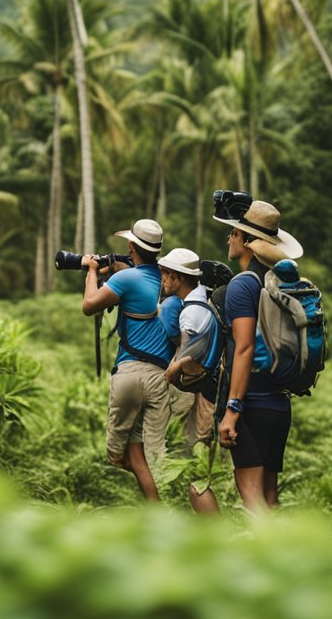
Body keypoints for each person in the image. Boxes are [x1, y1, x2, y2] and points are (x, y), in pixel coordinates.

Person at [213, 198, 304, 513]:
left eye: (235, 233)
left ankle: (268, 559)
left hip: (251, 402)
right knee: (270, 498)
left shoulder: (242, 286)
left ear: (247, 242)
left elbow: (245, 347)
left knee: (251, 497)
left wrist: (233, 409)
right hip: (279, 402)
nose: (230, 238)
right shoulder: (280, 283)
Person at [80, 219, 177, 501]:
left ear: (131, 247)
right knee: (146, 454)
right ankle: (158, 510)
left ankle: (152, 512)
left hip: (130, 373)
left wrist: (92, 271)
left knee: (118, 455)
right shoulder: (170, 279)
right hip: (161, 378)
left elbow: (89, 306)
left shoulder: (125, 279)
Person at [157, 247, 222, 514]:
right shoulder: (200, 301)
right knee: (195, 470)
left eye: (165, 275)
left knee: (196, 474)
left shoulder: (190, 312)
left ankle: (215, 538)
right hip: (211, 390)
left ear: (177, 277)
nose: (162, 281)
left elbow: (190, 353)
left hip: (206, 394)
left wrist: (171, 371)